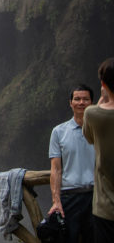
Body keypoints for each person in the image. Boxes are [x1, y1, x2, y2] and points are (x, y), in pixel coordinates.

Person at [47, 84, 95, 242]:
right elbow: (56, 169)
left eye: (86, 99)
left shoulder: (100, 129)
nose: (81, 102)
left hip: (96, 196)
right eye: (77, 99)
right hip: (69, 196)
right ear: (70, 103)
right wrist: (56, 201)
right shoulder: (59, 132)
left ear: (92, 103)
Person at [83, 58, 114, 242]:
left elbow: (89, 137)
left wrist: (103, 98)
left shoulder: (92, 114)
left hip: (105, 207)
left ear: (102, 83)